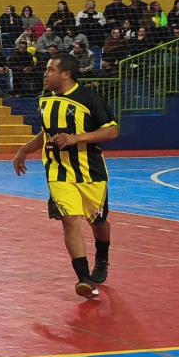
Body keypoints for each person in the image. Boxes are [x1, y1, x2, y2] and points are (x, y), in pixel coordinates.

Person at [12, 52, 119, 299]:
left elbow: (112, 131)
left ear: (66, 74)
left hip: (90, 171)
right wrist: (25, 149)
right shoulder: (45, 99)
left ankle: (102, 258)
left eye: (50, 70)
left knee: (98, 221)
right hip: (57, 171)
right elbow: (47, 133)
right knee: (70, 220)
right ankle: (84, 279)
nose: (45, 74)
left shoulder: (89, 98)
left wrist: (76, 138)